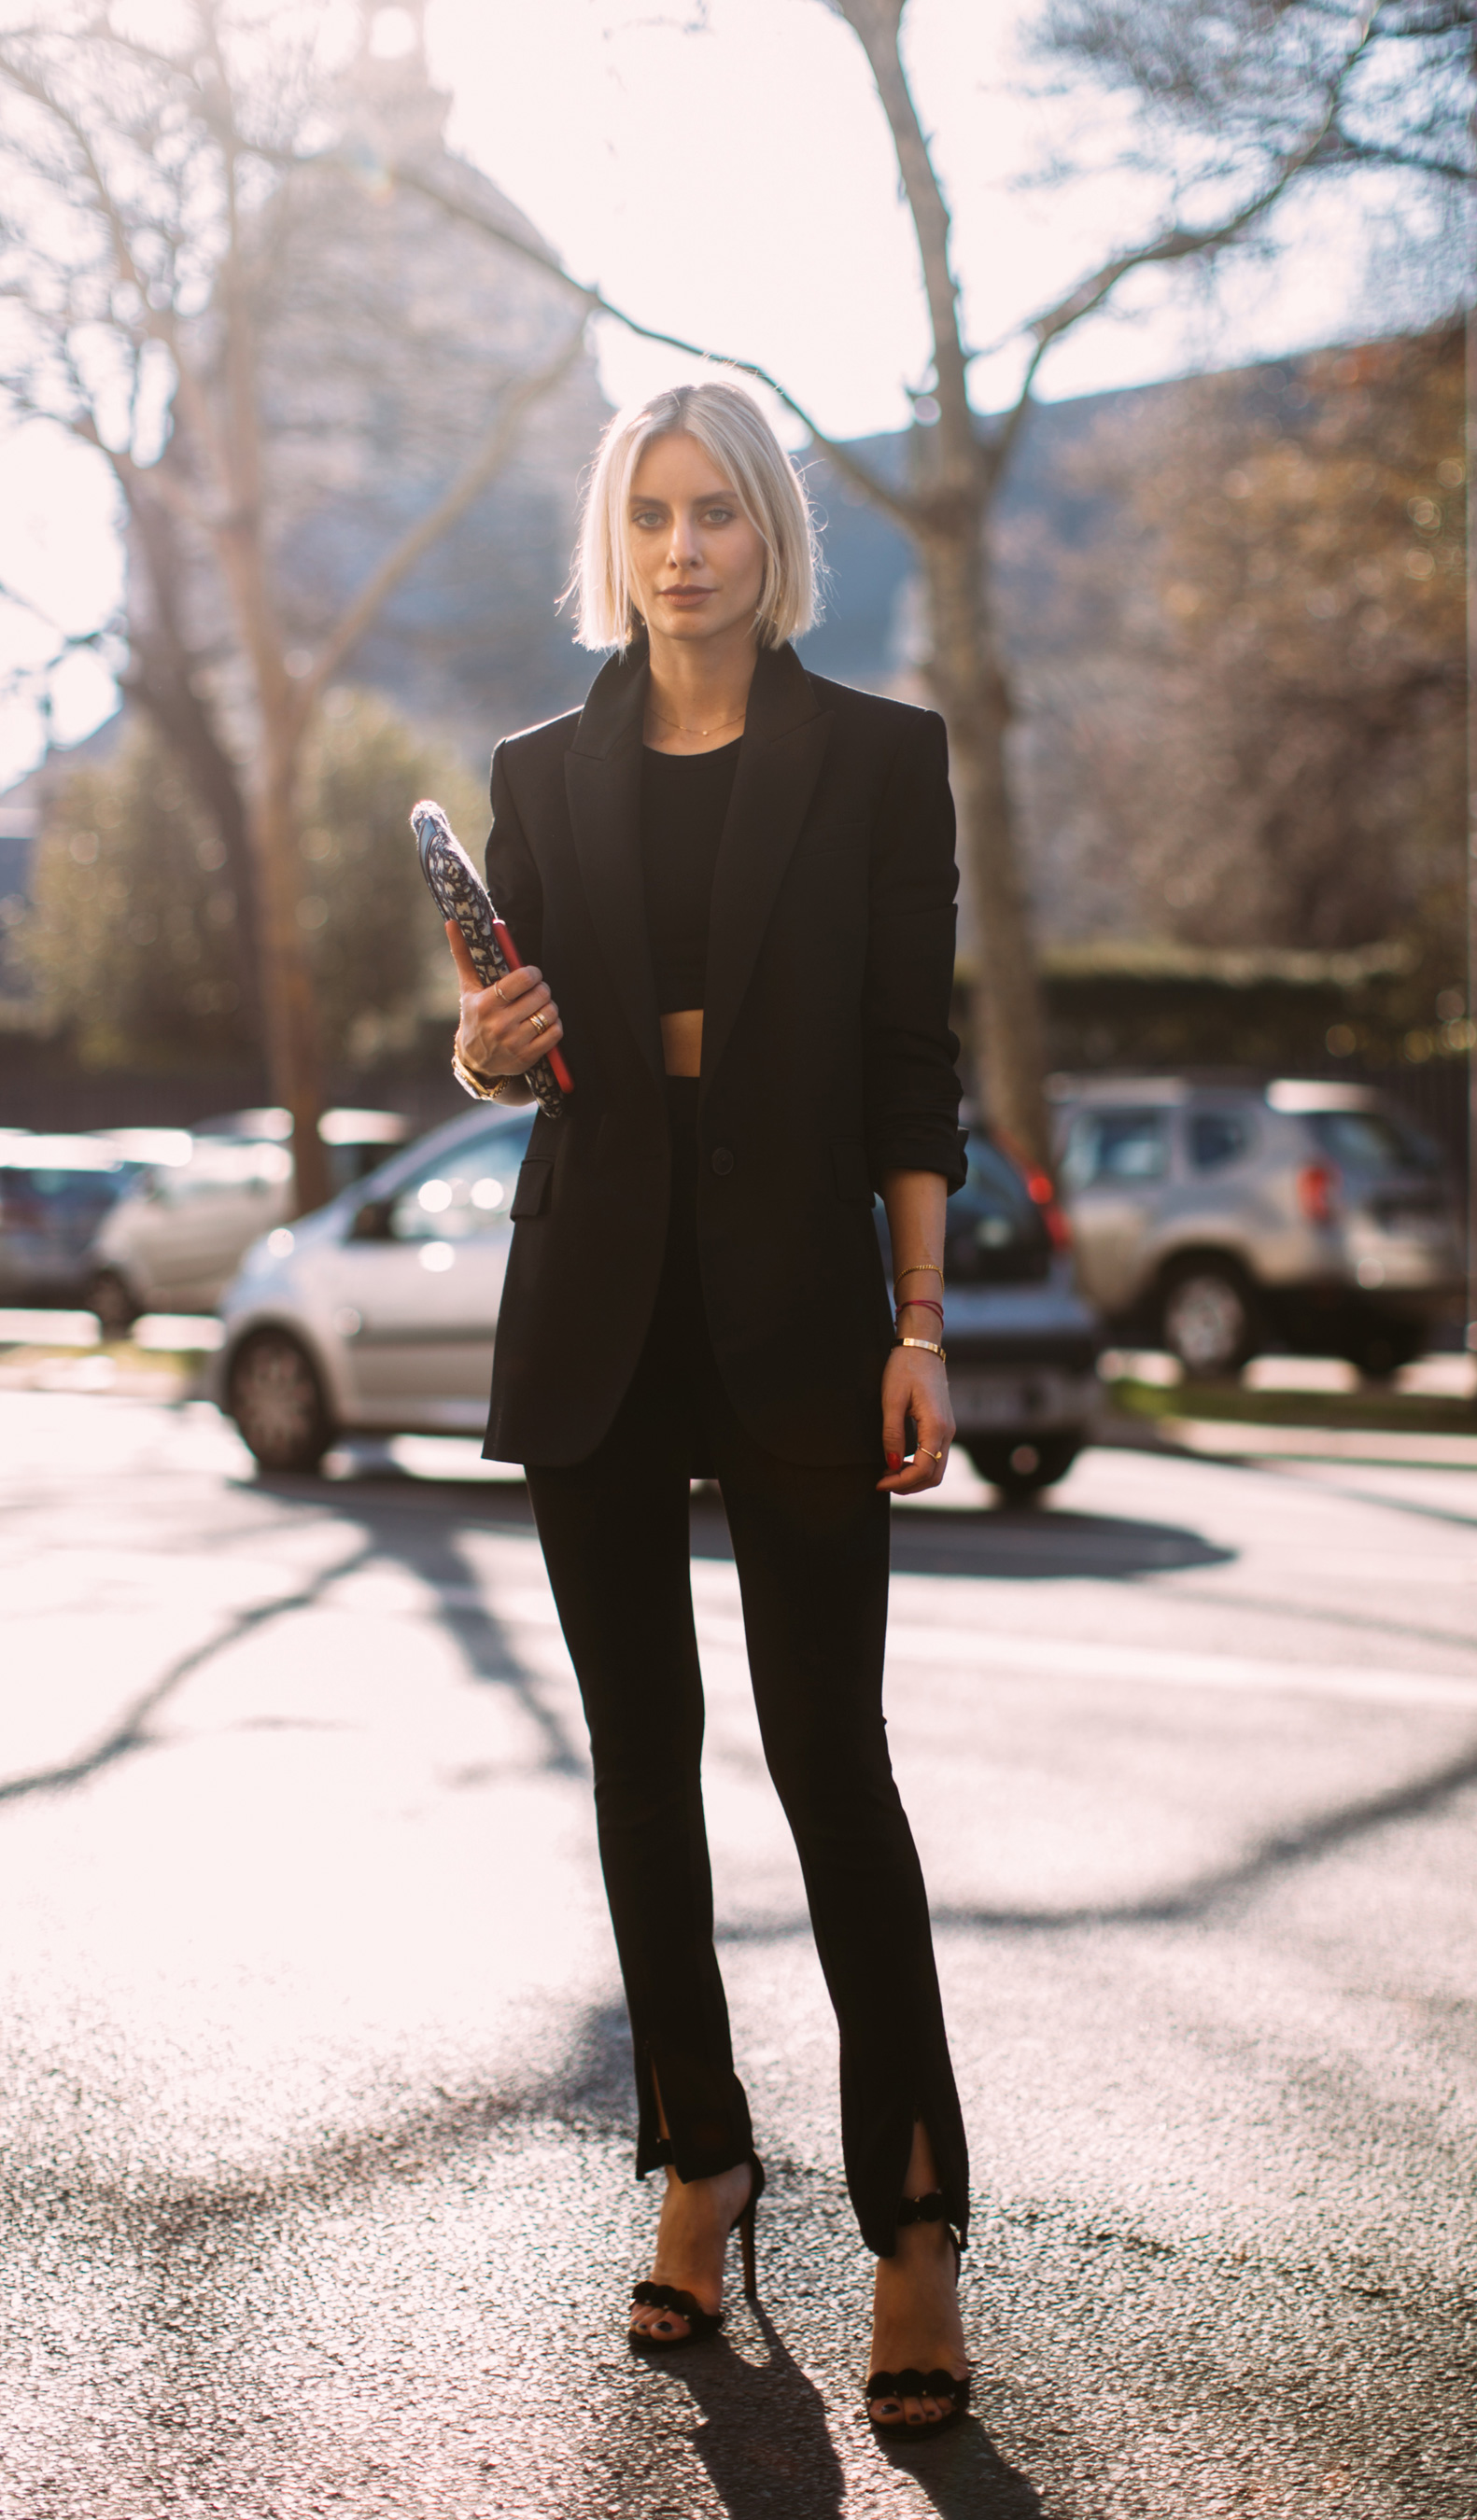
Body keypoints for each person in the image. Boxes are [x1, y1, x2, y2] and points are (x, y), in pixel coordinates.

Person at [445, 377, 971, 2441]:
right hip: (595, 1305)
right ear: (619, 536)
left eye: (720, 514)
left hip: (797, 1316)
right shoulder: (538, 772)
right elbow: (508, 1055)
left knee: (831, 1767)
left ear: (772, 540)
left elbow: (908, 1062)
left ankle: (912, 2225)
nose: (684, 548)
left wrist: (916, 1316)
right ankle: (698, 2162)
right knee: (638, 1773)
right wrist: (484, 1046)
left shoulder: (877, 760)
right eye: (652, 514)